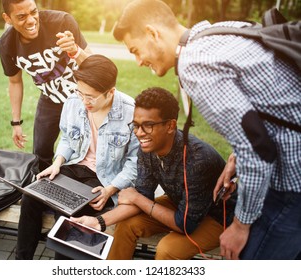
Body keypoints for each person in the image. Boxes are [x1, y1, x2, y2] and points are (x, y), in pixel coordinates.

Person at [112, 0, 301, 259]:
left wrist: (240, 225)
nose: (138, 61)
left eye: (136, 50)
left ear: (152, 33)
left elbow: (257, 149)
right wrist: (236, 157)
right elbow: (269, 104)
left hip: (291, 181)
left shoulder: (195, 64)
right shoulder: (217, 32)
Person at [72, 87, 236, 260]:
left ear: (170, 125)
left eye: (148, 126)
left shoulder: (198, 159)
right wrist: (99, 222)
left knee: (167, 249)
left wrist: (136, 198)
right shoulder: (148, 148)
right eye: (135, 125)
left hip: (217, 217)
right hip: (179, 204)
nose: (139, 133)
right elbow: (143, 194)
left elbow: (184, 225)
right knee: (126, 225)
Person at [16, 54, 139, 259]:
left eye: (90, 96)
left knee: (67, 213)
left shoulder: (130, 111)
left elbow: (134, 162)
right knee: (30, 196)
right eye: (80, 92)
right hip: (73, 168)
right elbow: (67, 137)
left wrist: (110, 190)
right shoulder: (73, 101)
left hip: (104, 179)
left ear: (110, 93)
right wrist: (57, 163)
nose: (83, 101)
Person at [0, 0, 91, 171]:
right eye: (21, 16)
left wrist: (75, 50)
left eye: (34, 12)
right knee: (40, 154)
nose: (32, 20)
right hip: (50, 98)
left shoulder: (62, 22)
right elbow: (14, 81)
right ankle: (42, 194)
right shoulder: (7, 44)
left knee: (83, 154)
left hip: (83, 99)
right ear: (8, 18)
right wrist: (16, 123)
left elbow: (93, 64)